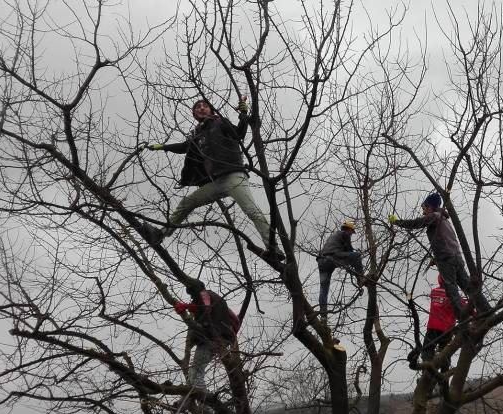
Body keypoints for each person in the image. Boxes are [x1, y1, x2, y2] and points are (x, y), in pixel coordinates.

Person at [142, 97, 283, 259]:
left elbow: (239, 134)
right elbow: (184, 147)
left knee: (252, 211)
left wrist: (243, 113)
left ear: (211, 110)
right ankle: (160, 234)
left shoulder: (220, 122)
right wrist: (163, 147)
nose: (201, 108)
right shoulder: (197, 134)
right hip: (216, 182)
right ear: (194, 114)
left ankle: (274, 249)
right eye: (197, 107)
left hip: (233, 176)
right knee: (187, 203)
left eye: (205, 106)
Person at [389, 192, 491, 318]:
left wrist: (397, 222)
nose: (423, 212)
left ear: (430, 207)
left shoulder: (435, 217)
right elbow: (444, 241)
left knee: (451, 289)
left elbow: (416, 223)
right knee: (469, 288)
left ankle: (462, 318)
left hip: (446, 259)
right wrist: (436, 258)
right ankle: (486, 310)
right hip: (456, 258)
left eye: (424, 208)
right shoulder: (444, 220)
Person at [173, 281, 242, 395]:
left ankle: (207, 405)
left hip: (210, 339)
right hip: (222, 339)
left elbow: (205, 307)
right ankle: (192, 398)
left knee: (196, 373)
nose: (192, 297)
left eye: (192, 295)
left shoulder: (204, 294)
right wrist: (229, 336)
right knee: (193, 374)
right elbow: (235, 319)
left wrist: (186, 306)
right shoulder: (218, 299)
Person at [316, 220, 363, 315]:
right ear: (349, 229)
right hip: (332, 258)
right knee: (357, 255)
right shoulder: (344, 234)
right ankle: (361, 279)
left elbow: (344, 252)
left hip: (322, 262)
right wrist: (354, 255)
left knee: (324, 289)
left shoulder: (334, 237)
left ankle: (323, 315)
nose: (351, 235)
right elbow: (349, 250)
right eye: (351, 232)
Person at [421, 274, 467, 362]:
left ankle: (427, 368)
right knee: (445, 354)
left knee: (427, 350)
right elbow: (464, 307)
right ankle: (443, 370)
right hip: (447, 329)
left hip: (432, 327)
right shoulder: (454, 295)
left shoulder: (434, 292)